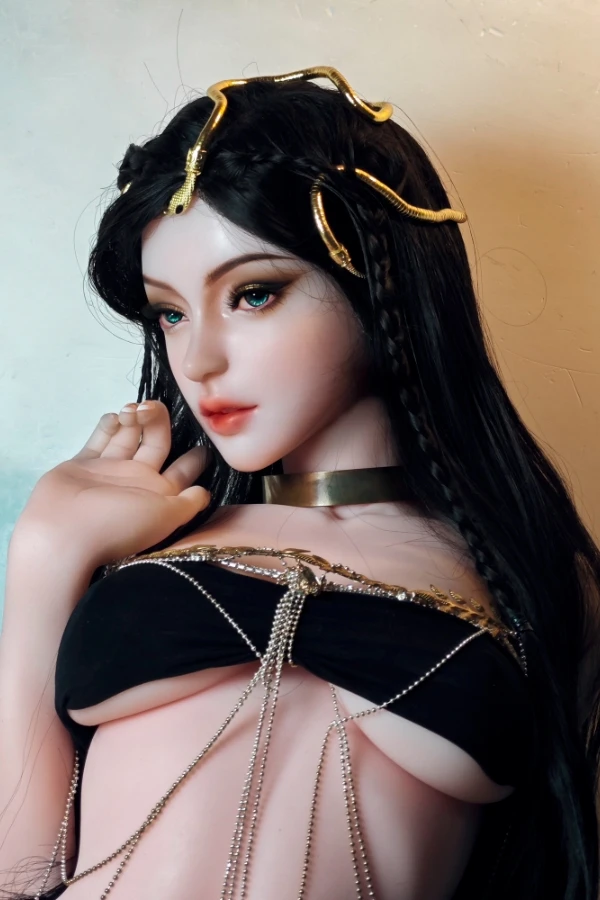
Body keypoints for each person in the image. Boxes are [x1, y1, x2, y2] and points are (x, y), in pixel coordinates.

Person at [1, 65, 599, 900]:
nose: (199, 359)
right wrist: (43, 556)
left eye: (253, 294)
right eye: (171, 312)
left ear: (380, 282)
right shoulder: (141, 535)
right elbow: (16, 873)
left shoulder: (535, 575)